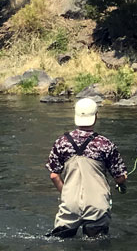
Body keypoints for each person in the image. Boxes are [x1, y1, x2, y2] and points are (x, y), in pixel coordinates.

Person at [46, 97, 127, 238]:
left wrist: (66, 193)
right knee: (96, 249)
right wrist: (122, 181)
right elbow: (119, 178)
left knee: (62, 245)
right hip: (97, 205)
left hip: (70, 203)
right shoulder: (105, 144)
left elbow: (54, 175)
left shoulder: (61, 142)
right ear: (96, 117)